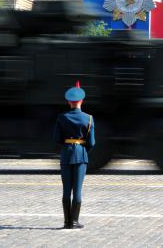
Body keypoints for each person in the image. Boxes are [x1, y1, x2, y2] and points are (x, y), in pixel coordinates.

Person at [54, 81, 95, 229]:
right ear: (82, 101)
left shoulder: (61, 117)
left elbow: (57, 139)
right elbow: (92, 142)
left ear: (68, 101)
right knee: (77, 189)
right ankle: (75, 221)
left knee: (66, 190)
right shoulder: (88, 118)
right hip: (81, 155)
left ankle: (66, 222)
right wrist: (83, 151)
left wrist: (67, 147)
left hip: (66, 155)